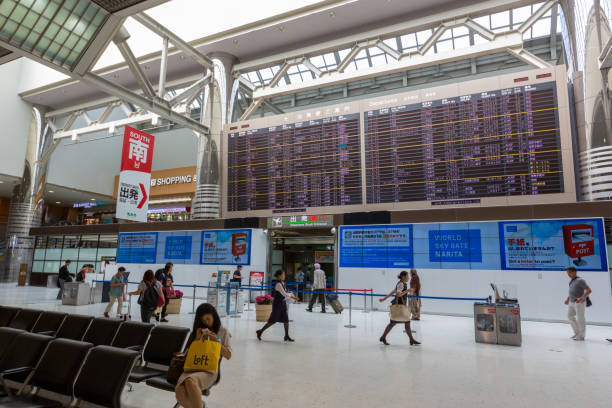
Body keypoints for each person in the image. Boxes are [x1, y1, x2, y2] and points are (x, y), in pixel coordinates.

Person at [175, 303, 231, 408]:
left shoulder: (223, 331)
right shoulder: (199, 331)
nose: (206, 323)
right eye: (203, 321)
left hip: (209, 370)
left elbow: (228, 355)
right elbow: (185, 354)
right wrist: (196, 339)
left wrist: (217, 342)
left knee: (189, 381)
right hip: (191, 367)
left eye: (208, 319)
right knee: (180, 391)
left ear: (214, 316)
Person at [378, 271, 421, 346]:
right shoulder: (401, 284)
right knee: (396, 323)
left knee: (401, 322)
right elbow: (398, 294)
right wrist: (408, 290)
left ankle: (411, 339)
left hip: (399, 305)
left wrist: (384, 299)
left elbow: (393, 292)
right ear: (403, 276)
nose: (408, 278)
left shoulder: (401, 283)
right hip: (399, 305)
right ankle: (383, 337)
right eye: (407, 276)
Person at [256, 270, 299, 342]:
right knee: (272, 320)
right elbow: (284, 294)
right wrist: (294, 297)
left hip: (282, 303)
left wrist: (289, 293)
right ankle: (260, 331)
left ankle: (286, 336)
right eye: (283, 275)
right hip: (277, 304)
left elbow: (284, 292)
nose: (284, 276)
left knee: (286, 320)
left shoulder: (282, 283)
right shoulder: (278, 284)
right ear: (279, 276)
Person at [564, 266, 592, 341]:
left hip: (579, 303)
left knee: (580, 319)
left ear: (574, 272)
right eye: (567, 273)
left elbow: (589, 290)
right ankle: (577, 332)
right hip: (571, 302)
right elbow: (571, 291)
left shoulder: (581, 280)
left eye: (569, 273)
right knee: (570, 316)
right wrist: (567, 299)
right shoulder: (572, 281)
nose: (568, 274)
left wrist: (581, 298)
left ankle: (581, 336)